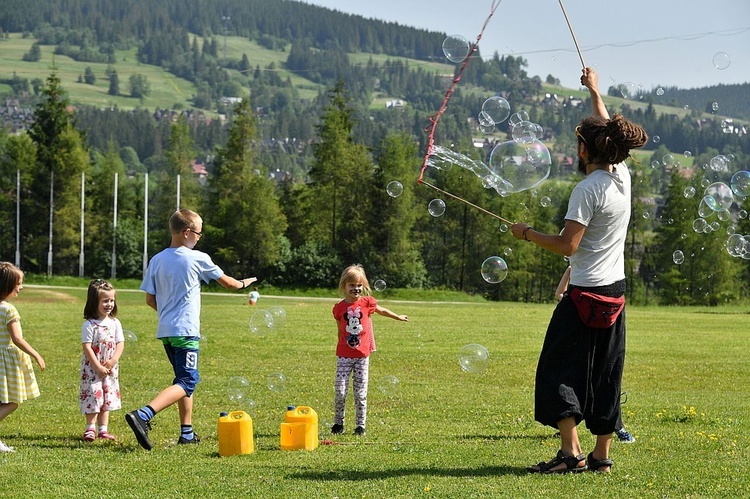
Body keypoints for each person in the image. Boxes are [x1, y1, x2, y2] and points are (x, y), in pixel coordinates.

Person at [511, 67, 647, 473]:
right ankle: (601, 457)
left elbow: (567, 245)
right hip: (615, 293)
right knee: (607, 373)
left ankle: (571, 455)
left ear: (586, 151)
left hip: (584, 293)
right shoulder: (621, 176)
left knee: (557, 368)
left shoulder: (586, 190)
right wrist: (595, 91)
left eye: (578, 145)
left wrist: (527, 233)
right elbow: (608, 128)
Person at [125, 209, 257, 450]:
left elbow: (149, 299)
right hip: (186, 330)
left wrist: (168, 316)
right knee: (187, 381)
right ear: (187, 232)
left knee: (181, 380)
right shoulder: (197, 258)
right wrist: (244, 283)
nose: (199, 237)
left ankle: (187, 433)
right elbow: (229, 283)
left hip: (166, 330)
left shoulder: (156, 259)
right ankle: (143, 415)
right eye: (198, 233)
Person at [555, 265, 635, 445]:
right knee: (575, 378)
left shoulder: (607, 268)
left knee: (606, 378)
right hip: (578, 319)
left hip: (602, 320)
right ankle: (569, 427)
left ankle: (618, 427)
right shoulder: (573, 268)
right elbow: (560, 293)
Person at [331, 264, 408, 436]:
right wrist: (341, 345)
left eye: (359, 285)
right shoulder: (339, 308)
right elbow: (340, 330)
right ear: (344, 286)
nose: (356, 289)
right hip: (344, 356)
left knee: (360, 393)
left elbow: (382, 311)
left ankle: (360, 426)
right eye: (352, 285)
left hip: (362, 357)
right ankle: (338, 423)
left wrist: (398, 317)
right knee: (340, 391)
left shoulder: (367, 303)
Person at [0, 262, 46, 452]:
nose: (21, 287)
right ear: (7, 284)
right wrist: (36, 354)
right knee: (12, 401)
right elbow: (17, 338)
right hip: (5, 361)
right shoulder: (9, 310)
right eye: (18, 283)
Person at [80, 279, 124, 442]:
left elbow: (120, 343)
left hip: (109, 368)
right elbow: (87, 347)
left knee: (107, 395)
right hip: (92, 368)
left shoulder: (115, 322)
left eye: (112, 300)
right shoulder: (89, 325)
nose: (109, 304)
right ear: (94, 302)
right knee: (93, 395)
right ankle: (90, 428)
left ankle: (103, 429)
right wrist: (97, 366)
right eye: (105, 301)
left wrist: (113, 360)